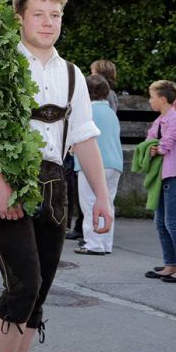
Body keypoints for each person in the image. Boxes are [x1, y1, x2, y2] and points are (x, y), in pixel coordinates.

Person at [0, 0, 112, 352]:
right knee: (24, 284)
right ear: (20, 17)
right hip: (8, 181)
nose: (48, 22)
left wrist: (102, 197)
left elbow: (85, 138)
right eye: (39, 14)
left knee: (39, 294)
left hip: (55, 185)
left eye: (55, 15)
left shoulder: (73, 75)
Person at [142, 80, 176, 282]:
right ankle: (170, 264)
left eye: (152, 97)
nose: (150, 101)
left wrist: (156, 148)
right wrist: (152, 147)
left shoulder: (175, 120)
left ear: (162, 99)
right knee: (160, 222)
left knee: (172, 222)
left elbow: (165, 145)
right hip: (162, 176)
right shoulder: (160, 120)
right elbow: (149, 141)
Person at [73, 75, 122, 255]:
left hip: (93, 164)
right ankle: (105, 243)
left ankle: (93, 243)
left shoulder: (87, 112)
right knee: (107, 203)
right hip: (115, 162)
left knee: (89, 203)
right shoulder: (110, 112)